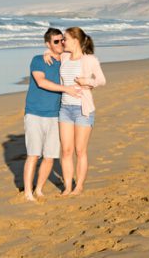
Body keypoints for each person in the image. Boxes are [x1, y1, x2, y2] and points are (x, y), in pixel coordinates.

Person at [45, 26, 106, 196]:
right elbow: (50, 52)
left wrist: (87, 81)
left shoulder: (90, 60)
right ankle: (68, 187)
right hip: (64, 109)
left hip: (82, 109)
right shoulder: (64, 56)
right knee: (66, 151)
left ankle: (78, 186)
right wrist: (46, 53)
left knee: (80, 150)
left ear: (76, 41)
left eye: (65, 38)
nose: (63, 41)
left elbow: (101, 80)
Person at [23, 28, 81, 201]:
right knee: (33, 154)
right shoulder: (38, 60)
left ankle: (39, 189)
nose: (60, 43)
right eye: (55, 41)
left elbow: (80, 52)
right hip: (34, 113)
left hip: (56, 115)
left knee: (49, 156)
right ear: (47, 43)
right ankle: (27, 192)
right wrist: (66, 89)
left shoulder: (65, 59)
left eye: (62, 40)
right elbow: (41, 82)